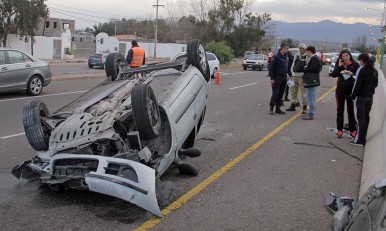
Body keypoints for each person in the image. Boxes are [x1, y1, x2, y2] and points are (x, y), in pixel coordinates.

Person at [350, 53, 378, 146]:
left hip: (361, 98)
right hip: (370, 97)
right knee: (366, 117)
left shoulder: (362, 70)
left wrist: (353, 96)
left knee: (360, 119)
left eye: (359, 60)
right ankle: (363, 137)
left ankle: (359, 140)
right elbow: (376, 84)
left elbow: (357, 85)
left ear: (362, 60)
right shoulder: (374, 71)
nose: (359, 62)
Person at [331, 49, 360, 138]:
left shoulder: (355, 65)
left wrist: (352, 74)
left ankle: (352, 129)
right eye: (343, 56)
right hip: (340, 90)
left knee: (350, 110)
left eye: (347, 55)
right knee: (340, 110)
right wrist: (339, 66)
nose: (345, 57)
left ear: (350, 56)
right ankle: (339, 130)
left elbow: (359, 76)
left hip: (350, 90)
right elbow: (333, 74)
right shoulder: (340, 64)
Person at [268, 43, 290, 115]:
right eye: (287, 48)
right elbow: (271, 68)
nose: (288, 50)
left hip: (284, 77)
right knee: (275, 93)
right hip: (277, 77)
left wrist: (290, 75)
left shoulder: (286, 56)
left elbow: (287, 67)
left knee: (281, 93)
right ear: (283, 48)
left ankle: (278, 108)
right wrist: (272, 78)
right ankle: (271, 108)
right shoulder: (276, 57)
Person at [286, 43, 308, 113]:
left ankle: (304, 107)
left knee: (303, 93)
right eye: (300, 48)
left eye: (302, 48)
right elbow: (293, 65)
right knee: (293, 91)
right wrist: (292, 74)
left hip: (302, 76)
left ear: (305, 49)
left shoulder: (307, 56)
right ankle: (293, 104)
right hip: (295, 75)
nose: (301, 49)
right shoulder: (297, 55)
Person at [302, 46, 321, 120]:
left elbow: (313, 68)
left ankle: (311, 113)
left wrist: (306, 68)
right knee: (311, 97)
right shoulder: (315, 58)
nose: (306, 53)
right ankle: (310, 111)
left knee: (310, 98)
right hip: (312, 80)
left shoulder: (314, 58)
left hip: (311, 81)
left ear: (309, 51)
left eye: (307, 52)